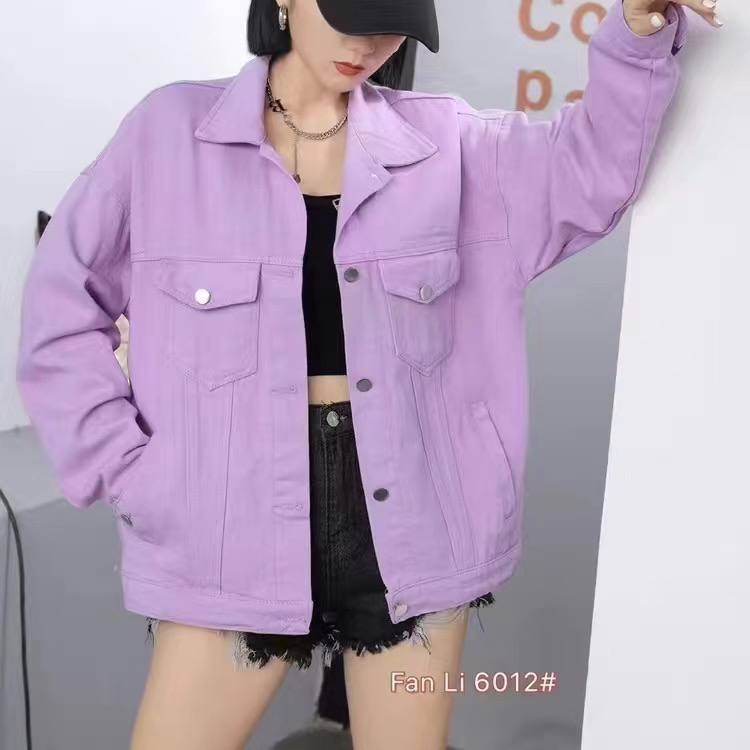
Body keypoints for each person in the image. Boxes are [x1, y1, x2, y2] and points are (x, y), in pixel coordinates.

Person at [15, 0, 719, 747]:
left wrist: (639, 30)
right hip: (225, 520)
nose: (367, 42)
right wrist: (127, 469)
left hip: (412, 523)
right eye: (348, 12)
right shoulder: (167, 136)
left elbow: (591, 170)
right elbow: (60, 306)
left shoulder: (450, 146)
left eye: (390, 24)